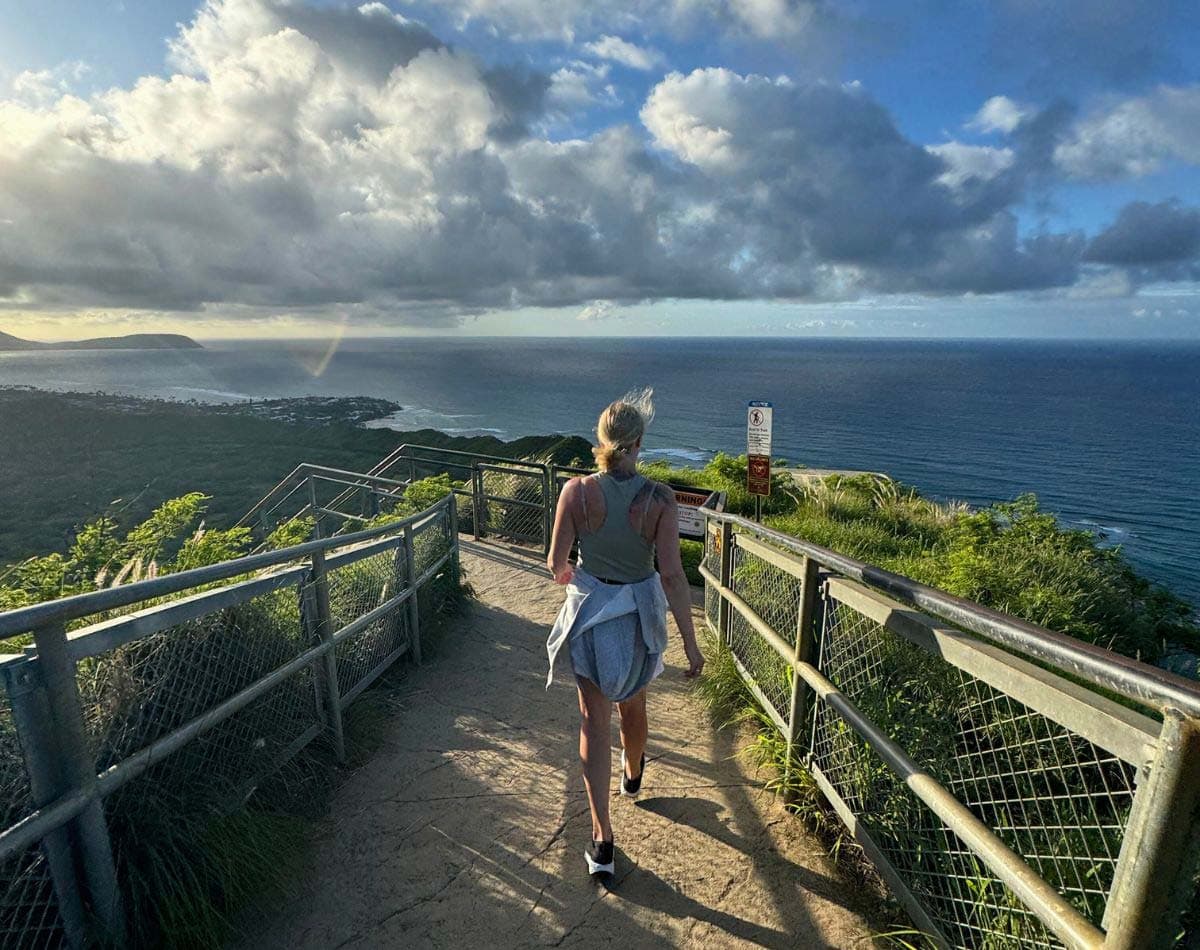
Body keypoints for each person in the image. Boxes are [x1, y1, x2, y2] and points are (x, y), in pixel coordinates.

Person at [545, 387, 705, 878]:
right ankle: (633, 777)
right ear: (638, 442)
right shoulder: (659, 499)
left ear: (602, 440)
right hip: (637, 618)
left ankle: (602, 841)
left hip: (591, 617)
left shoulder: (575, 492)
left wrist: (576, 578)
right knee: (632, 705)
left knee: (593, 721)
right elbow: (673, 577)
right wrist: (691, 646)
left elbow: (556, 564)